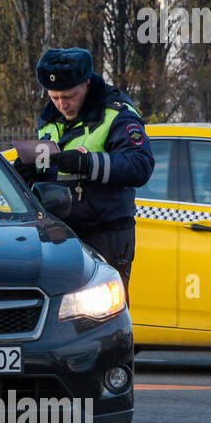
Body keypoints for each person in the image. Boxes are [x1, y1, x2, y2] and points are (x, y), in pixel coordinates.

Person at [14, 47, 154, 298]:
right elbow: (54, 167)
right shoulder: (50, 118)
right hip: (62, 235)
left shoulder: (116, 114)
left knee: (105, 313)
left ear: (87, 83)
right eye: (54, 97)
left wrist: (88, 164)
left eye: (69, 96)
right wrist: (28, 171)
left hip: (106, 233)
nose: (61, 105)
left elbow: (140, 165)